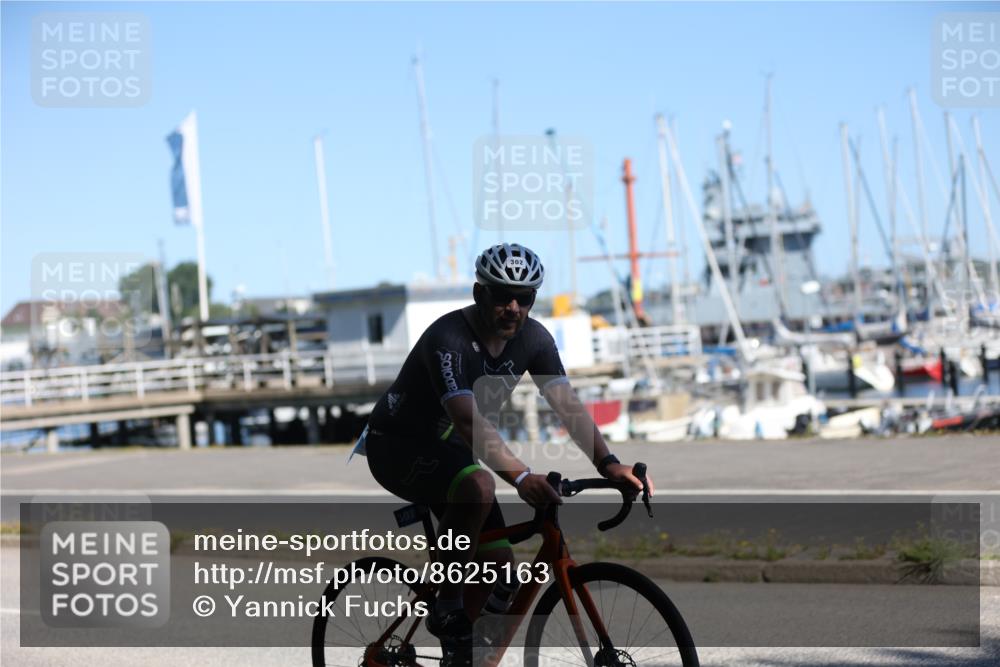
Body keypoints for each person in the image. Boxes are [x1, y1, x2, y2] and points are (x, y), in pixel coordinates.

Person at [359, 243, 655, 665]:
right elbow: (466, 421)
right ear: (481, 294)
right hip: (397, 446)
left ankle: (461, 656)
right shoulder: (448, 338)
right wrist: (520, 477)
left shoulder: (534, 339)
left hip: (452, 453)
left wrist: (608, 464)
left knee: (500, 569)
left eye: (525, 298)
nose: (513, 307)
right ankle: (446, 607)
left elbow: (567, 405)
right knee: (479, 484)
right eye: (502, 296)